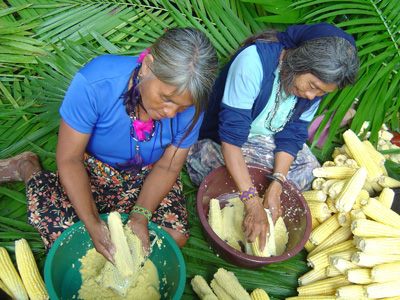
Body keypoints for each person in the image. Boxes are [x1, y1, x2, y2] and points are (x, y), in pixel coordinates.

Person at [0, 27, 218, 262]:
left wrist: (141, 215)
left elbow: (168, 167)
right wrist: (93, 223)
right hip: (92, 169)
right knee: (65, 238)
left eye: (181, 107)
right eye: (166, 99)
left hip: (149, 173)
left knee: (172, 237)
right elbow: (69, 159)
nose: (171, 112)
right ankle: (27, 167)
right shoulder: (96, 82)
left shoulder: (192, 105)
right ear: (148, 66)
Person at [186, 23, 359, 251]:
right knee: (210, 163)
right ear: (300, 60)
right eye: (312, 86)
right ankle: (248, 191)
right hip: (225, 139)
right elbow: (231, 138)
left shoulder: (312, 88)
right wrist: (252, 201)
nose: (311, 95)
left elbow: (293, 134)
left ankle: (256, 188)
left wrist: (277, 183)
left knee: (309, 171)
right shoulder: (253, 62)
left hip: (266, 139)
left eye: (320, 93)